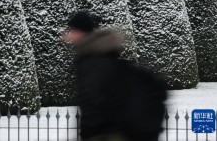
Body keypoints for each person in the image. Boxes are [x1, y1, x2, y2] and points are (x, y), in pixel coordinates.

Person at [64, 10, 167, 141]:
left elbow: (93, 103)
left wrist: (89, 133)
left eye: (72, 30)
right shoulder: (100, 56)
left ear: (79, 32)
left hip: (107, 134)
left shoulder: (92, 61)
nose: (67, 35)